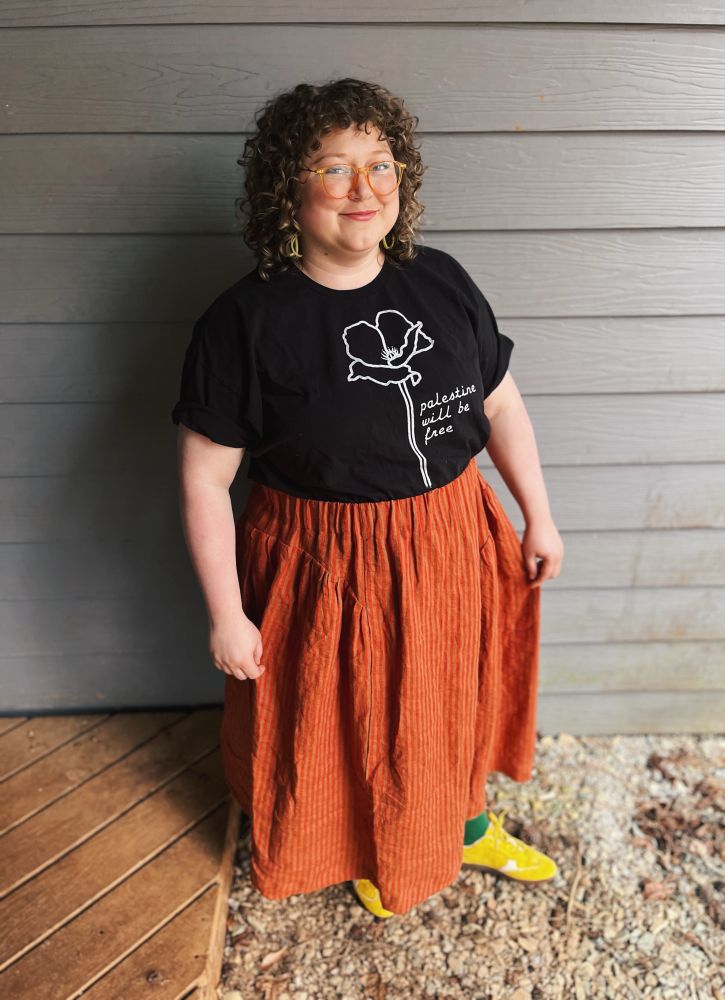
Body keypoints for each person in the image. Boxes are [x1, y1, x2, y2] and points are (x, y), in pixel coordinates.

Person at [170, 77, 564, 919]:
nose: (364, 189)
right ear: (287, 187)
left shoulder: (441, 282)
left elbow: (499, 405)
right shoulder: (244, 323)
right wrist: (226, 614)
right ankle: (378, 851)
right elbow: (205, 479)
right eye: (334, 168)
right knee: (359, 722)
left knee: (456, 694)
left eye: (380, 165)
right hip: (327, 560)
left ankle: (463, 827)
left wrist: (538, 514)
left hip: (454, 534)